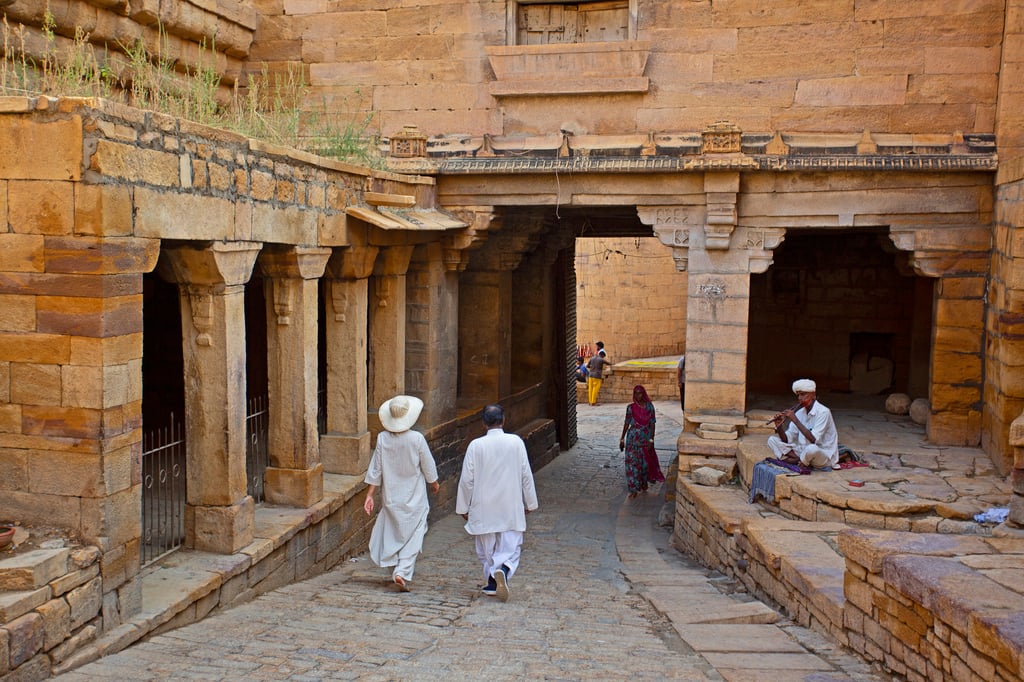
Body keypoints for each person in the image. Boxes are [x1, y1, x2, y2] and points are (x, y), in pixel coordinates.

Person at [456, 404, 538, 603]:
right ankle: (503, 569)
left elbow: (467, 479)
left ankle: (493, 580)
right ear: (504, 420)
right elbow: (526, 474)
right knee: (511, 545)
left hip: (484, 505)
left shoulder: (476, 446)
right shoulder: (516, 442)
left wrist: (463, 507)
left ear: (484, 423)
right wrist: (530, 502)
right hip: (510, 503)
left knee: (486, 549)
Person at [363, 395, 440, 592]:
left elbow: (376, 469)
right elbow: (428, 465)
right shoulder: (417, 439)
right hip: (415, 497)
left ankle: (396, 566)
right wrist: (434, 482)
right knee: (415, 533)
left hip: (391, 496)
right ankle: (402, 571)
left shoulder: (382, 439)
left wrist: (370, 495)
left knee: (393, 532)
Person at [766, 379, 839, 470]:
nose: (800, 398)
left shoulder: (823, 412)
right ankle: (799, 460)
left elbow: (813, 439)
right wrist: (779, 426)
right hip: (803, 451)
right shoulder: (800, 413)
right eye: (798, 395)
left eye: (803, 394)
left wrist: (795, 420)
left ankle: (795, 460)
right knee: (772, 440)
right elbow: (787, 439)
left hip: (822, 455)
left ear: (813, 394)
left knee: (811, 449)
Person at [619, 385, 662, 498]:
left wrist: (651, 440)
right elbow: (626, 423)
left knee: (644, 465)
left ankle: (643, 482)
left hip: (645, 439)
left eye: (640, 393)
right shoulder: (630, 408)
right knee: (632, 465)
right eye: (635, 393)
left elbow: (652, 424)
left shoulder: (649, 407)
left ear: (643, 394)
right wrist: (622, 438)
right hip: (632, 440)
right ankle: (633, 489)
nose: (638, 396)